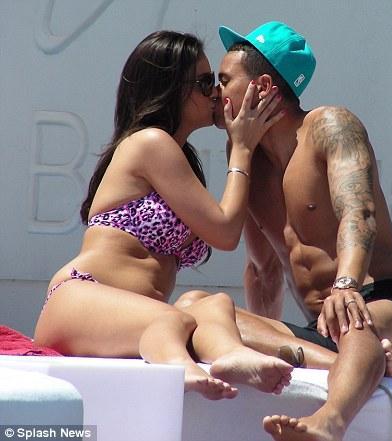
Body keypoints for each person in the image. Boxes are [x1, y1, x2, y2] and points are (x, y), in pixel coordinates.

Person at [212, 21, 392, 440]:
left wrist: (346, 285)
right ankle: (360, 362)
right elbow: (263, 271)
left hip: (389, 308)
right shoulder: (246, 156)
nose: (216, 92)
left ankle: (329, 422)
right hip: (322, 330)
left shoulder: (330, 125)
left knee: (352, 323)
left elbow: (359, 211)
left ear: (262, 87)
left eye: (224, 80)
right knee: (200, 309)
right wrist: (260, 340)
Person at [33, 30, 293, 401]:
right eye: (204, 83)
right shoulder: (151, 143)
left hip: (136, 318)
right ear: (171, 89)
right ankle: (179, 368)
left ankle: (231, 355)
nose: (215, 93)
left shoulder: (178, 158)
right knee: (174, 319)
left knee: (214, 305)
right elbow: (224, 233)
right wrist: (242, 149)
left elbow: (232, 231)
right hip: (80, 298)